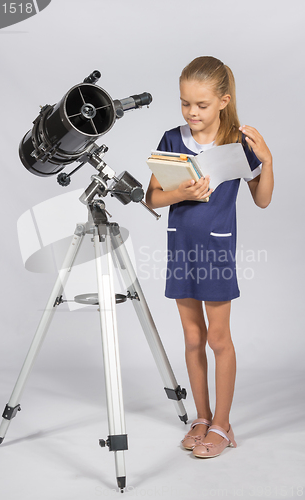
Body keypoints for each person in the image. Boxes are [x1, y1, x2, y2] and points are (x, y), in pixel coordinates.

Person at [145, 56, 274, 458]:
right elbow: (152, 197)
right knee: (192, 337)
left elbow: (263, 199)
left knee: (218, 339)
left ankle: (222, 424)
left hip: (216, 250)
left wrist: (267, 160)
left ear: (223, 100)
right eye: (185, 103)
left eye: (200, 105)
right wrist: (181, 193)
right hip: (180, 247)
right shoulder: (171, 139)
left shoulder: (237, 141)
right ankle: (201, 418)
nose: (192, 112)